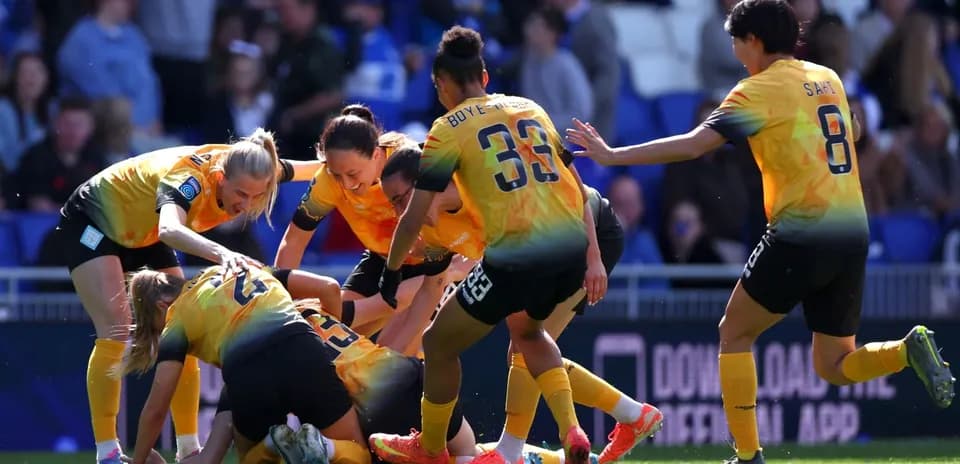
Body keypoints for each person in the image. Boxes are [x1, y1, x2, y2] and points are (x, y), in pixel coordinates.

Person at [565, 1, 956, 463]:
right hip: (853, 232)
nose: (735, 51)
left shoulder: (756, 90)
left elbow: (693, 146)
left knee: (734, 332)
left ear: (753, 41)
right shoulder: (826, 78)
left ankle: (748, 456)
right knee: (834, 365)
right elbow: (851, 130)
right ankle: (905, 350)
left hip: (801, 230)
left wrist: (613, 155)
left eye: (736, 41)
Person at [371, 26, 592, 464]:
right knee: (528, 333)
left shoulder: (446, 129)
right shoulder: (529, 107)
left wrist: (391, 272)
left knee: (437, 343)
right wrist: (593, 256)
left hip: (517, 256)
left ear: (442, 84)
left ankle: (431, 448)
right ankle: (573, 432)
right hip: (572, 249)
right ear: (485, 77)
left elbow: (413, 216)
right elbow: (578, 186)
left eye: (437, 87)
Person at [379, 145, 663, 463]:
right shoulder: (435, 222)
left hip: (585, 231)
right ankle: (629, 416)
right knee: (526, 343)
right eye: (393, 203)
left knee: (525, 342)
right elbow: (436, 281)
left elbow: (568, 178)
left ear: (424, 185)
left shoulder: (478, 183)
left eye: (402, 199)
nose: (400, 212)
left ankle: (515, 449)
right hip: (543, 245)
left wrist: (593, 256)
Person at [54, 128, 320, 463]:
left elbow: (314, 168)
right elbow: (170, 228)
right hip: (94, 221)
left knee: (184, 327)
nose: (246, 205)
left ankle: (188, 450)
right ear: (220, 177)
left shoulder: (255, 166)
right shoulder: (190, 179)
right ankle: (107, 453)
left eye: (256, 196)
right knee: (116, 330)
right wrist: (222, 253)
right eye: (241, 194)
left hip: (144, 231)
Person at [120, 265, 368, 464]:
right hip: (302, 349)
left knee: (253, 458)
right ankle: (327, 448)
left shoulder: (177, 317)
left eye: (156, 328)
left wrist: (139, 460)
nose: (161, 333)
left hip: (247, 374)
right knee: (355, 451)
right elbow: (329, 287)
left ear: (162, 305)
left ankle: (270, 446)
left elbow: (157, 409)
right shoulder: (240, 266)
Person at [275, 105, 451, 337]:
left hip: (434, 265)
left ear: (377, 155)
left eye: (353, 174)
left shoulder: (407, 161)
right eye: (337, 175)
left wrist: (356, 311)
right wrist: (279, 303)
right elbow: (294, 241)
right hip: (382, 260)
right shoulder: (327, 180)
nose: (346, 185)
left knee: (394, 348)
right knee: (332, 338)